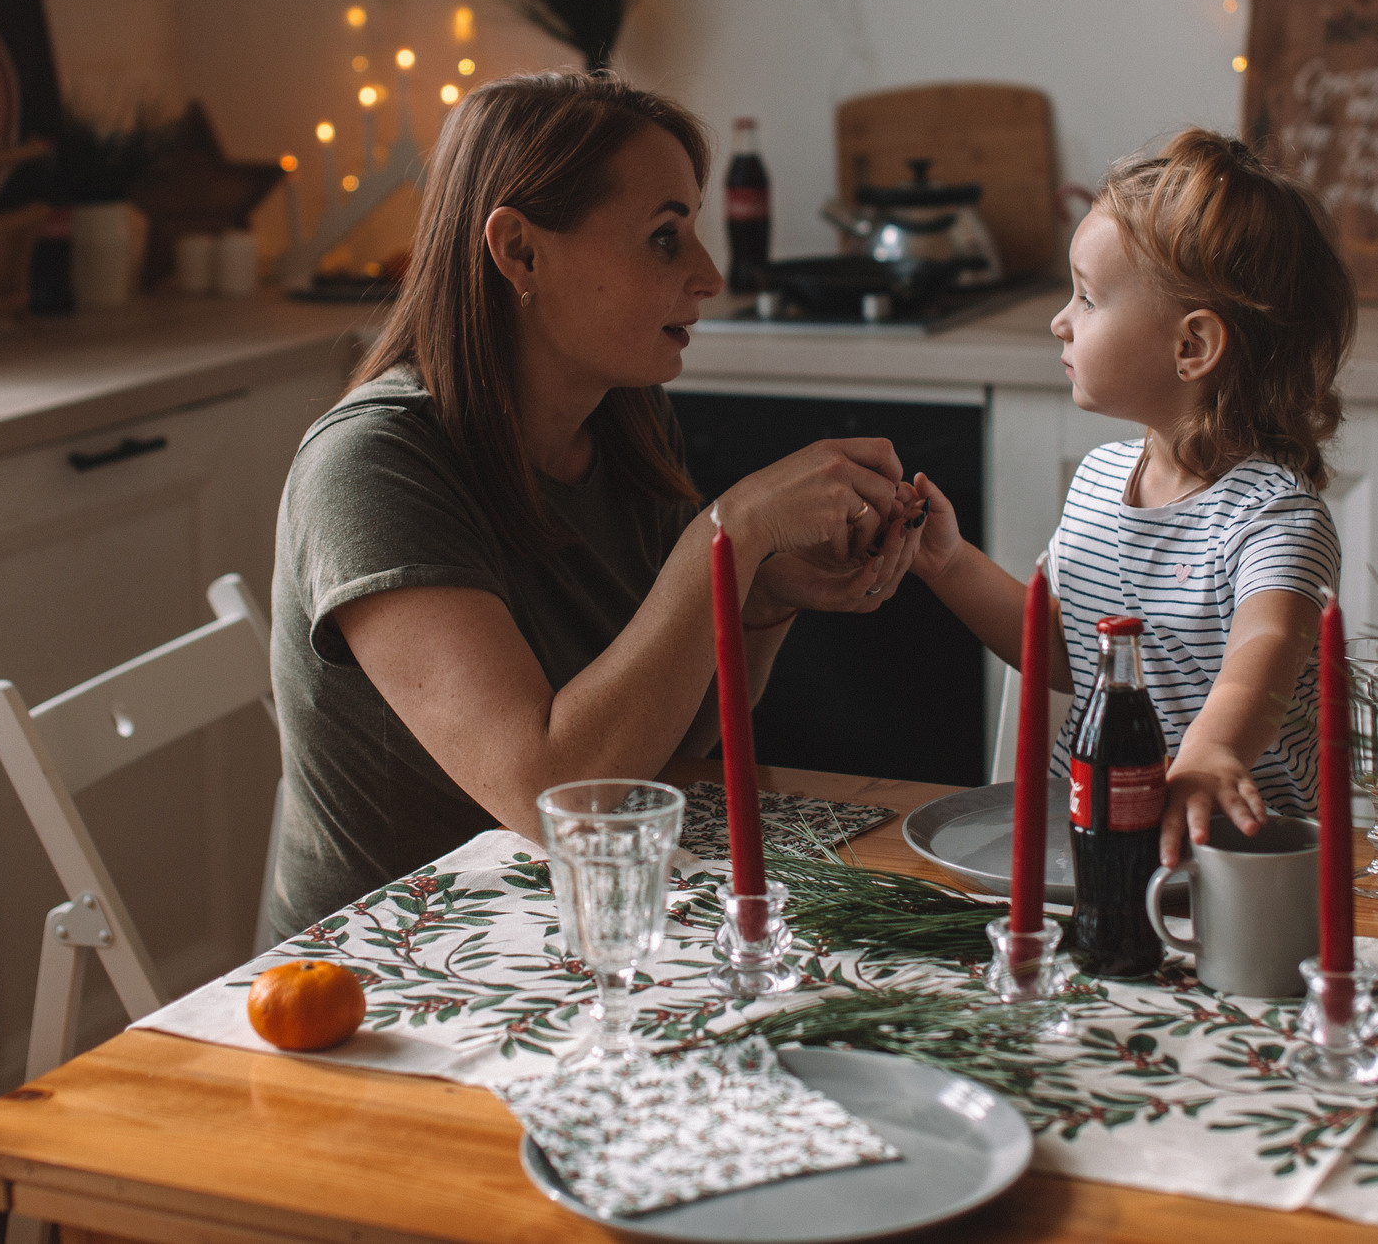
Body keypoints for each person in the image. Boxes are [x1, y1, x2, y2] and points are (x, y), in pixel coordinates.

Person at [265, 70, 925, 939]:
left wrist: (759, 595)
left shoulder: (622, 419)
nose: (709, 274)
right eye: (664, 238)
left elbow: (655, 748)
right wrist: (729, 533)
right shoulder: (370, 467)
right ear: (521, 252)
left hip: (569, 923)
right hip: (388, 976)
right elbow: (555, 802)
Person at [908, 128, 1355, 867]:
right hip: (1090, 842)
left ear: (1192, 347)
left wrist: (1209, 755)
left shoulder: (1272, 517)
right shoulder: (1095, 482)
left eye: (1087, 295)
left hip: (1226, 862)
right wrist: (950, 564)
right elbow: (1062, 652)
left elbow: (1265, 646)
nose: (1060, 319)